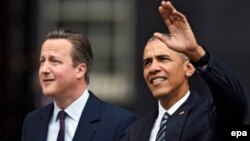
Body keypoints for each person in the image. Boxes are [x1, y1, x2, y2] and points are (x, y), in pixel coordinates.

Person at [124, 1, 247, 141]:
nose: (153, 68)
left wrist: (195, 52)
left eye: (163, 59)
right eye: (147, 62)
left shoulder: (210, 113)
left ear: (188, 68)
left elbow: (235, 100)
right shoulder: (136, 131)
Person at [22, 28, 136, 141]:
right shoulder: (33, 122)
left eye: (54, 61)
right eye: (42, 61)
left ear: (80, 70)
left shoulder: (118, 123)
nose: (44, 70)